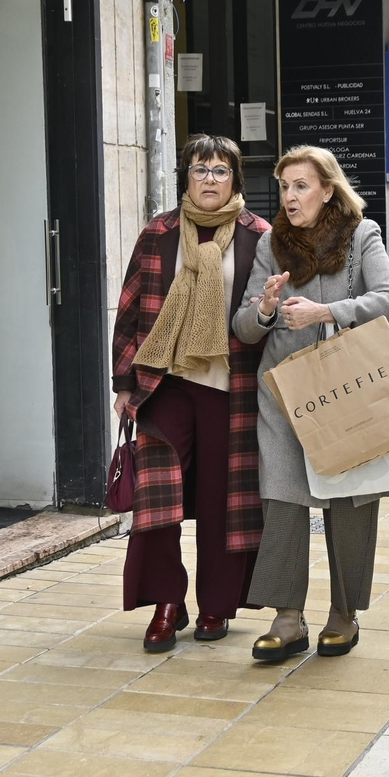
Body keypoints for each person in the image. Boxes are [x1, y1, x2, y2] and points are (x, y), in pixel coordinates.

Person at [233, 145, 389, 662]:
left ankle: (343, 612)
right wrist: (265, 308)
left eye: (301, 186)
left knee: (350, 499)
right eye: (284, 186)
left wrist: (325, 311)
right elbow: (243, 328)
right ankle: (287, 618)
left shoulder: (361, 234)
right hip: (285, 393)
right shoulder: (271, 244)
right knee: (283, 500)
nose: (290, 197)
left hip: (346, 389)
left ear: (327, 190)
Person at [112, 135, 271, 652]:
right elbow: (130, 308)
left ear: (235, 179)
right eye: (200, 169)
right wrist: (124, 382)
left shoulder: (259, 236)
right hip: (165, 384)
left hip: (233, 388)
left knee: (223, 501)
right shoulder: (159, 232)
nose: (209, 179)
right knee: (157, 500)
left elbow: (267, 316)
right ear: (186, 176)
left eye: (220, 170)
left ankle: (216, 605)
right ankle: (166, 603)